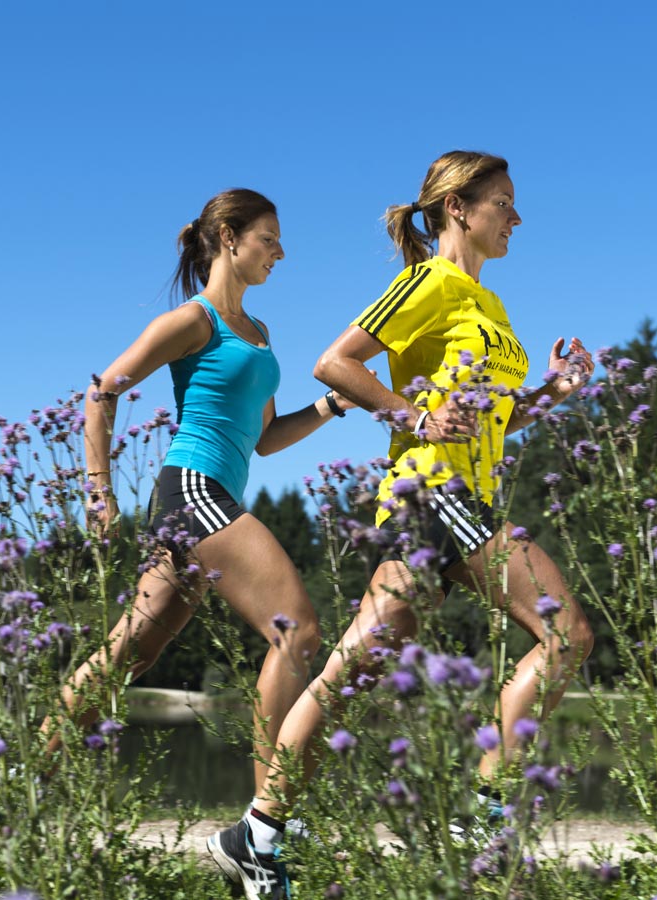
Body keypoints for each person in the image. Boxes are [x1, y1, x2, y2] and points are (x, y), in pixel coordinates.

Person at [207, 151, 596, 896]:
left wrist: (553, 391)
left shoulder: (492, 307)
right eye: (504, 202)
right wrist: (413, 413)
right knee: (565, 633)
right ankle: (487, 816)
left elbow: (492, 420)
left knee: (353, 670)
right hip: (432, 491)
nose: (516, 216)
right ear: (459, 207)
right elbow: (337, 362)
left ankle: (256, 834)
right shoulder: (429, 282)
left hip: (460, 496)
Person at [47, 188, 354, 849]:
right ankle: (266, 828)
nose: (279, 251)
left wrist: (331, 406)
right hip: (191, 488)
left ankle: (17, 775)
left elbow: (266, 440)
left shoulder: (259, 334)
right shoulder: (196, 321)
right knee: (296, 631)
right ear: (228, 237)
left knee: (132, 649)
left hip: (205, 497)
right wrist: (99, 494)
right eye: (268, 238)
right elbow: (101, 394)